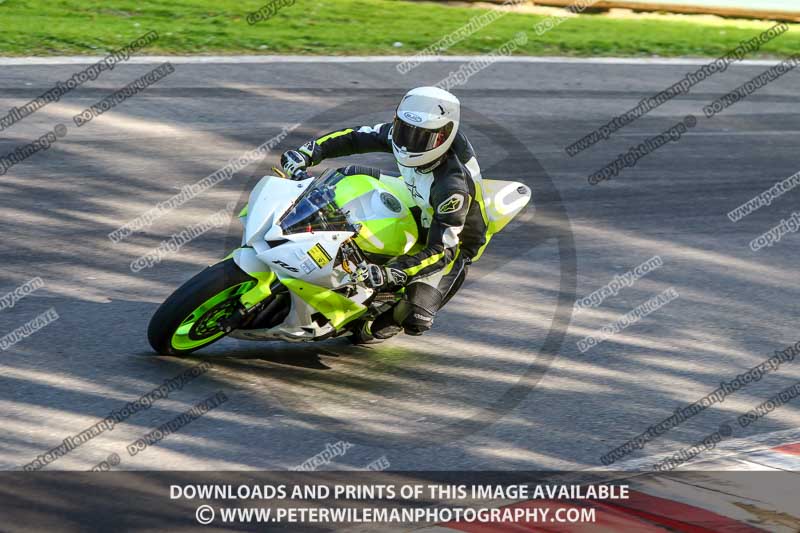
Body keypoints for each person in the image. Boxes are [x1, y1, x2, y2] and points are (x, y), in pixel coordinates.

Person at [280, 87, 488, 342]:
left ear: (444, 137)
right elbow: (356, 137)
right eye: (404, 130)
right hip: (414, 196)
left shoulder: (452, 188)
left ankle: (373, 325)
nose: (409, 142)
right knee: (347, 177)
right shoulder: (406, 135)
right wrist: (308, 153)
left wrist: (397, 271)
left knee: (417, 314)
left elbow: (442, 251)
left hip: (452, 239)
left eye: (421, 139)